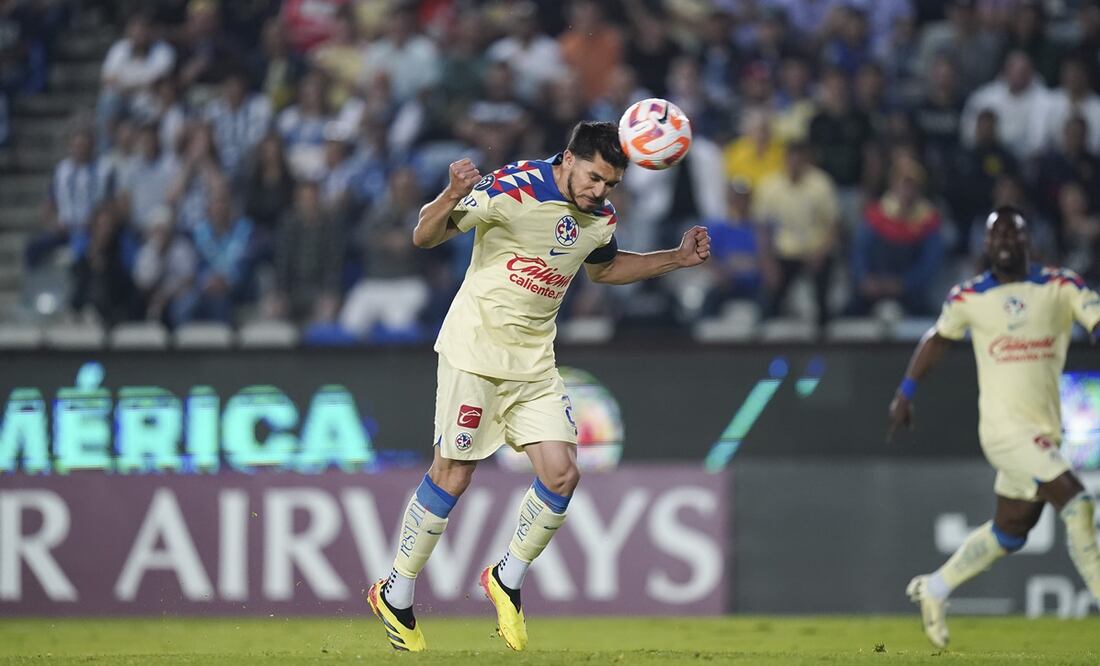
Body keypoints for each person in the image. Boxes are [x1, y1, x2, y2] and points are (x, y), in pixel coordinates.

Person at [365, 121, 711, 652]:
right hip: (474, 352)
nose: (600, 192)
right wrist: (452, 194)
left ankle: (506, 579)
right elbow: (424, 234)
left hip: (533, 363)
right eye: (595, 178)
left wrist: (676, 258)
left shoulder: (598, 219)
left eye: (611, 185)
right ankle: (396, 590)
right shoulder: (512, 188)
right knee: (453, 476)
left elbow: (605, 267)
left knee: (564, 472)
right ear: (569, 158)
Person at [887, 207, 1100, 649]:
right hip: (1004, 432)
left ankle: (936, 587)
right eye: (995, 232)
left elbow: (1095, 318)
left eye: (1013, 231)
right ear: (985, 245)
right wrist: (906, 392)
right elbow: (937, 339)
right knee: (1078, 505)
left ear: (1028, 241)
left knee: (1012, 529)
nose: (1004, 238)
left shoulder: (1060, 286)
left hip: (1044, 431)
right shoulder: (968, 297)